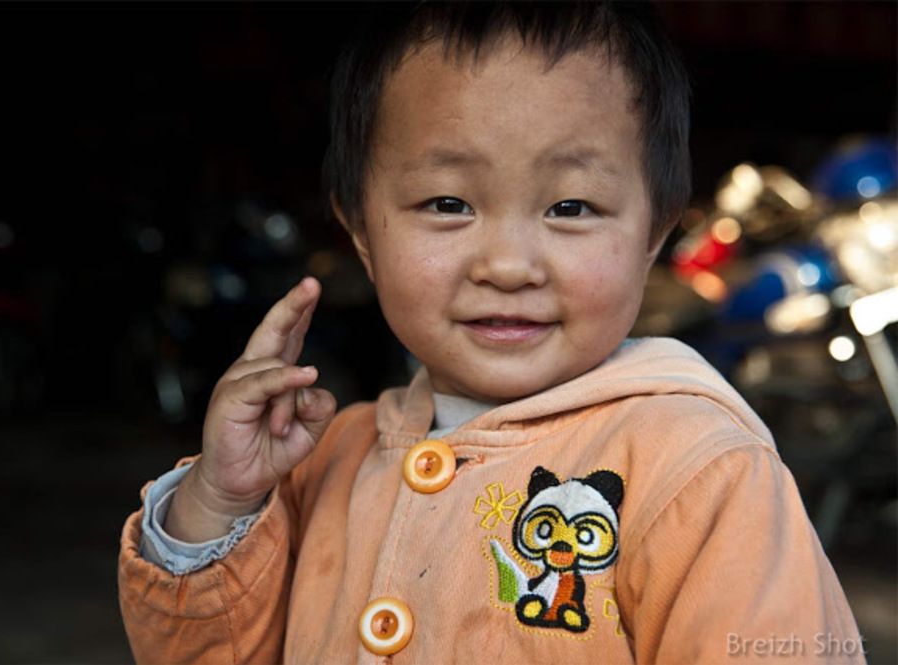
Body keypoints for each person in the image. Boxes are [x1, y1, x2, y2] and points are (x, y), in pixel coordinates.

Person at [118, 2, 864, 663]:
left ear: (654, 233)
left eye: (571, 207)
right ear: (360, 232)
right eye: (448, 202)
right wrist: (220, 502)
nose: (508, 265)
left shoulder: (696, 471)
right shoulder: (322, 464)